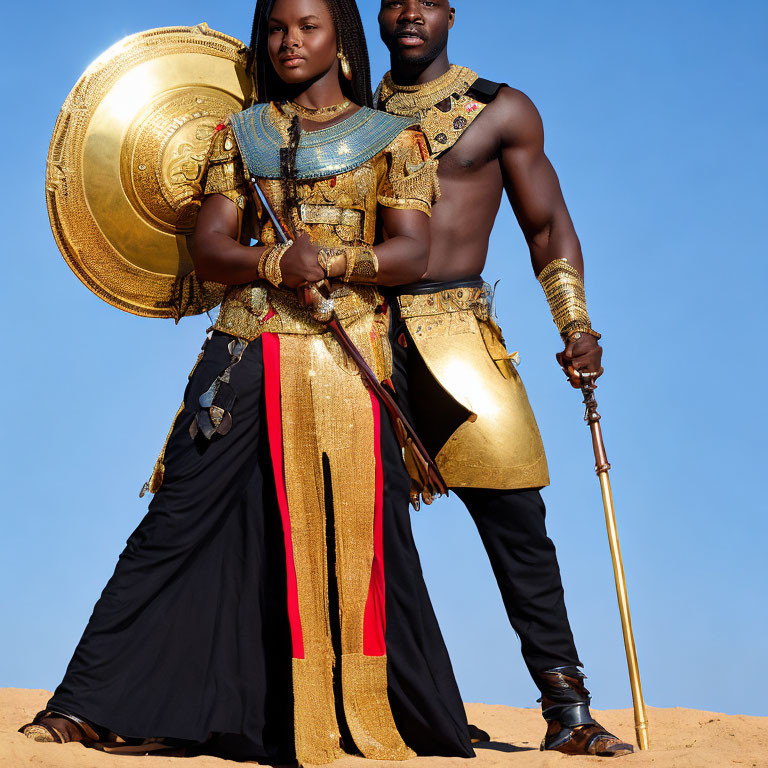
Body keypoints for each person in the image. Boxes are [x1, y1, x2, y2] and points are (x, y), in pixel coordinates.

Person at [19, 0, 475, 763]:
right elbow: (209, 248)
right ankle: (88, 705)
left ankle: (364, 714)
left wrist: (329, 260)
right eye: (276, 28)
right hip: (245, 352)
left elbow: (411, 254)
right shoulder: (241, 132)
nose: (289, 42)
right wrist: (272, 262)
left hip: (349, 357)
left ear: (341, 39)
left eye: (308, 27)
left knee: (369, 545)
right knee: (178, 519)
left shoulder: (396, 139)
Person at [375, 0, 634, 757]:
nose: (409, 13)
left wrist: (575, 324)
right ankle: (407, 703)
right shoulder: (352, 111)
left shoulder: (501, 109)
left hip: (461, 336)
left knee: (520, 527)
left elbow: (546, 225)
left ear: (451, 12)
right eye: (395, 0)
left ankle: (568, 709)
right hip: (363, 339)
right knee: (364, 526)